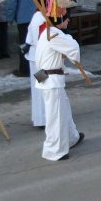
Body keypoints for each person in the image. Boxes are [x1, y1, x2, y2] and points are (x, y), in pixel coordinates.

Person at [35, 14, 84, 161]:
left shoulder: (49, 32)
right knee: (55, 116)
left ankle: (71, 137)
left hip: (49, 78)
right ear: (60, 20)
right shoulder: (54, 33)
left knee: (64, 111)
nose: (69, 20)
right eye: (66, 17)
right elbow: (73, 47)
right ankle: (54, 150)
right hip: (51, 80)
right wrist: (68, 46)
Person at [6, 0, 38, 77]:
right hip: (34, 16)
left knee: (24, 44)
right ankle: (35, 68)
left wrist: (9, 19)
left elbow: (11, 2)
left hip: (23, 18)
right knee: (34, 43)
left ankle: (24, 70)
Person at [25, 9, 46, 128]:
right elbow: (39, 40)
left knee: (41, 87)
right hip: (39, 58)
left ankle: (41, 117)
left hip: (39, 57)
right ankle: (42, 118)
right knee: (41, 87)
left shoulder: (40, 16)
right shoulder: (39, 18)